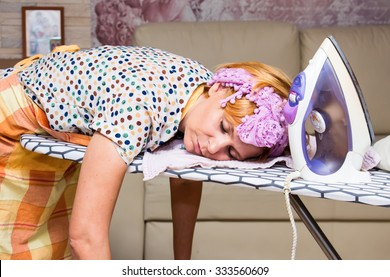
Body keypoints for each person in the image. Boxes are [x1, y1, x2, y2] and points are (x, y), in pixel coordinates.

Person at [0, 45, 291, 260]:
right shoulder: (138, 111)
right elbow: (86, 235)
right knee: (21, 253)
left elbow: (184, 176)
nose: (214, 147)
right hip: (13, 118)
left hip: (54, 128)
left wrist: (182, 267)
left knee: (55, 249)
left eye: (232, 153)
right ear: (220, 90)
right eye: (224, 127)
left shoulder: (198, 93)